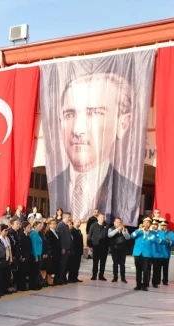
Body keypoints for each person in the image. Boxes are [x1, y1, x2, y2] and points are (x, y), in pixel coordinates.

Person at [49, 73, 140, 222]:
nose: (78, 130)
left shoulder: (129, 190)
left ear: (122, 124)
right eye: (69, 115)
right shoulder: (52, 186)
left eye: (94, 113)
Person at [131, 217, 156, 291]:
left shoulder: (152, 233)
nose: (146, 224)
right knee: (138, 270)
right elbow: (132, 236)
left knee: (146, 270)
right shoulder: (138, 231)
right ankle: (138, 284)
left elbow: (155, 240)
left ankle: (145, 285)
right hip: (138, 253)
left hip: (147, 254)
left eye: (148, 223)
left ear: (150, 224)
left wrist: (148, 233)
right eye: (145, 222)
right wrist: (139, 230)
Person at [152, 220, 174, 288]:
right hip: (157, 253)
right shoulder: (156, 232)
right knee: (156, 268)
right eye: (161, 225)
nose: (163, 227)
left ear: (166, 226)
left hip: (165, 253)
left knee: (165, 268)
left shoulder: (170, 233)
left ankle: (165, 281)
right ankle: (156, 281)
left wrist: (167, 241)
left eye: (164, 225)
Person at [108, 217, 130, 283]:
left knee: (122, 264)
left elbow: (128, 237)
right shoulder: (110, 229)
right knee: (115, 263)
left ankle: (123, 278)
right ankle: (115, 277)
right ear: (114, 223)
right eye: (117, 222)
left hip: (122, 249)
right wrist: (117, 229)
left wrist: (123, 231)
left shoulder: (125, 229)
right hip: (114, 249)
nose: (118, 223)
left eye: (119, 222)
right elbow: (109, 235)